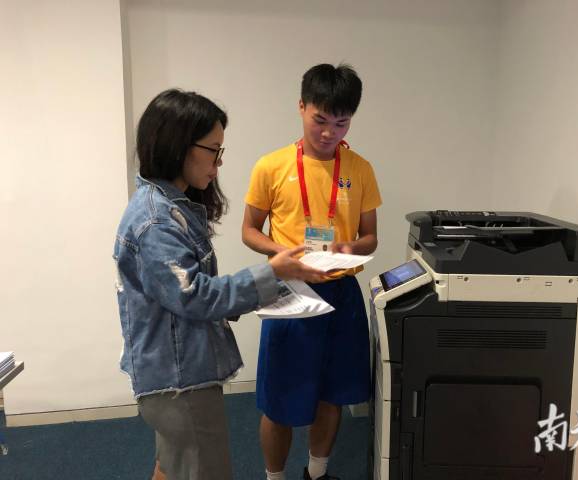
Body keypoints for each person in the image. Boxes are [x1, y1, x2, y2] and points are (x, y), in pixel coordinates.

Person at [113, 88, 327, 480]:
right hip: (180, 381)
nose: (219, 162)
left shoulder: (168, 206)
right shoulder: (157, 221)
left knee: (173, 466)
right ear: (178, 146)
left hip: (172, 372)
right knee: (201, 468)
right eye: (213, 150)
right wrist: (273, 273)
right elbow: (194, 295)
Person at [242, 64, 382, 480]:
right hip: (290, 290)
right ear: (301, 106)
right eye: (320, 120)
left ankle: (317, 473)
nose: (328, 133)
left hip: (341, 293)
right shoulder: (271, 166)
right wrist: (282, 252)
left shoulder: (360, 168)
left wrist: (349, 248)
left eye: (341, 123)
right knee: (279, 400)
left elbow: (370, 238)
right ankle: (275, 477)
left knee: (333, 393)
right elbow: (249, 230)